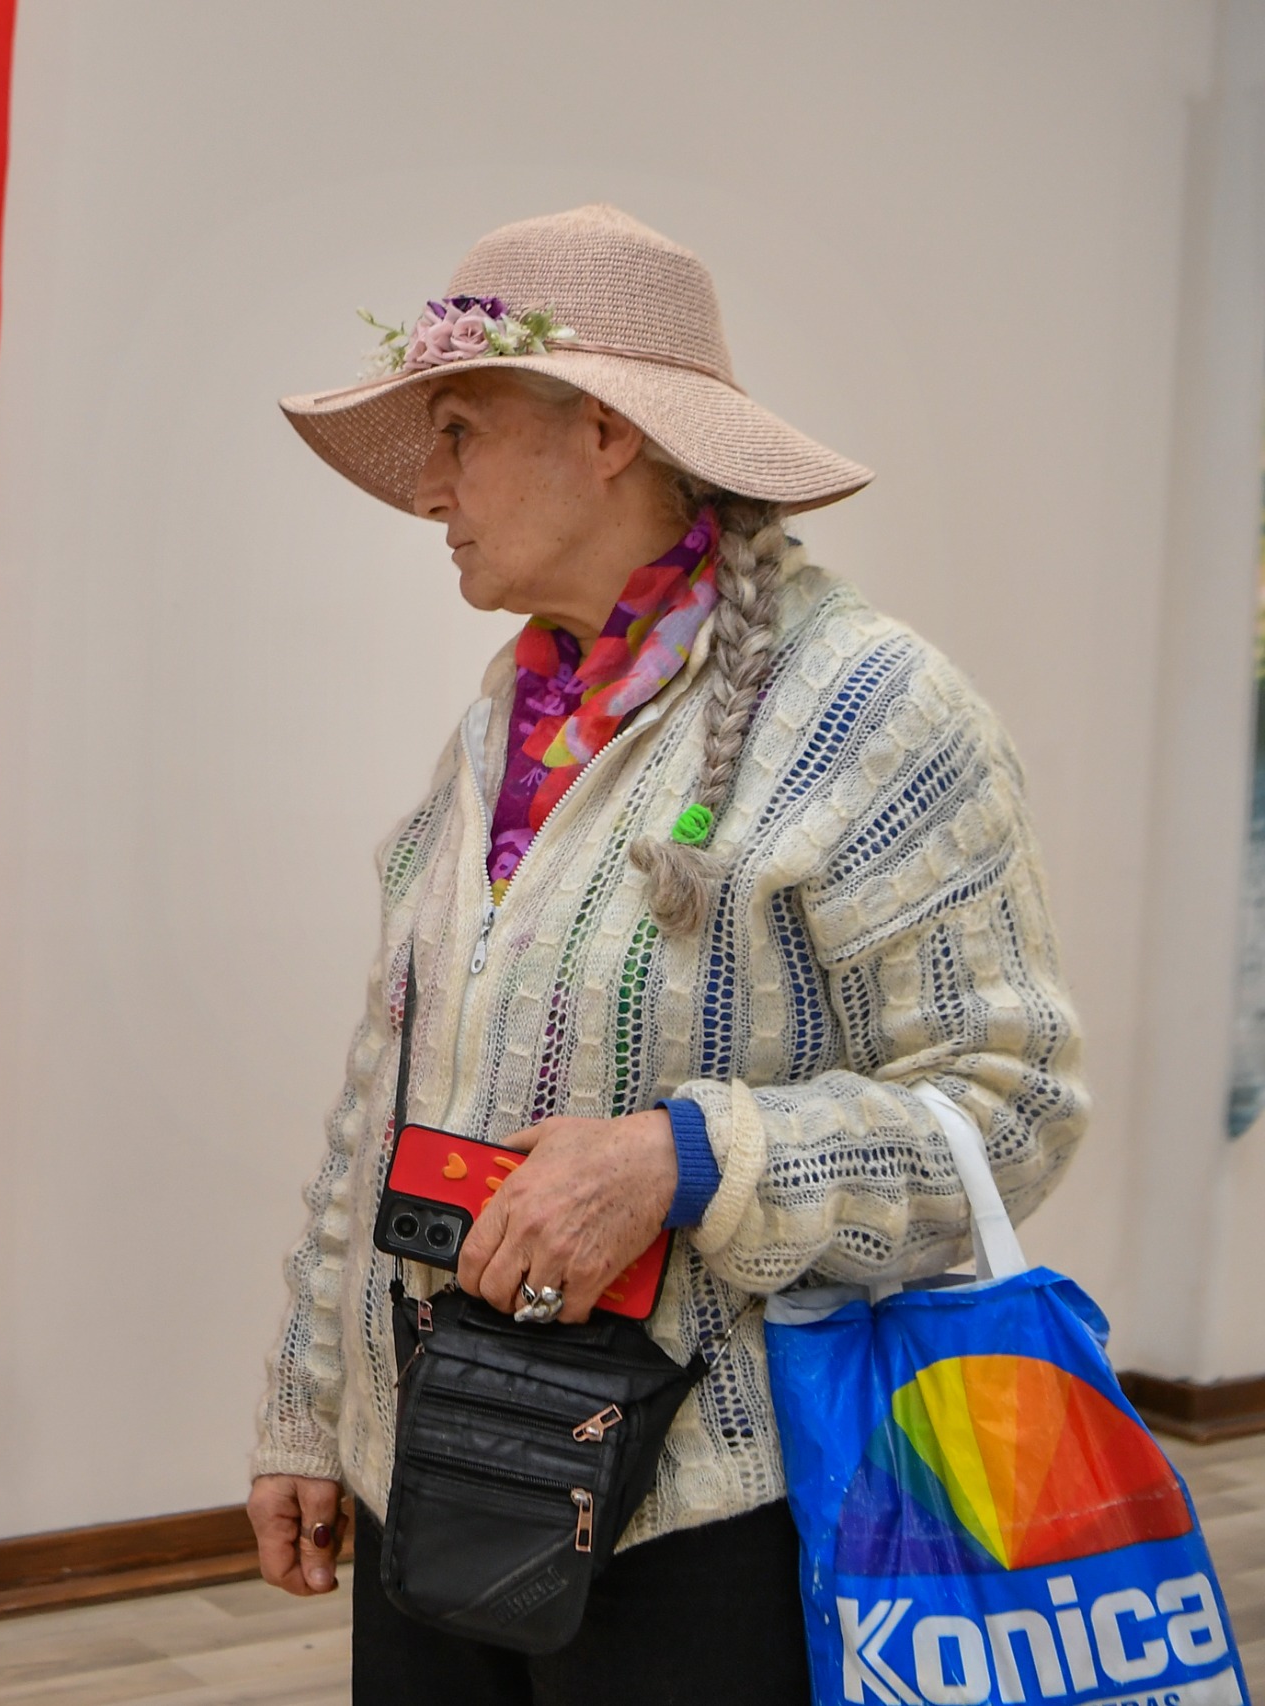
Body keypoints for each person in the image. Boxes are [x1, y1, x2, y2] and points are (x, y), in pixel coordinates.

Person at [246, 205, 1087, 1704]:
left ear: (610, 434)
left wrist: (684, 1156)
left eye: (458, 431)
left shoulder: (874, 714)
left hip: (707, 1520)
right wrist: (314, 1413)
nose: (430, 488)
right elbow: (385, 1082)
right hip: (433, 1476)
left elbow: (1008, 1107)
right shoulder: (505, 717)